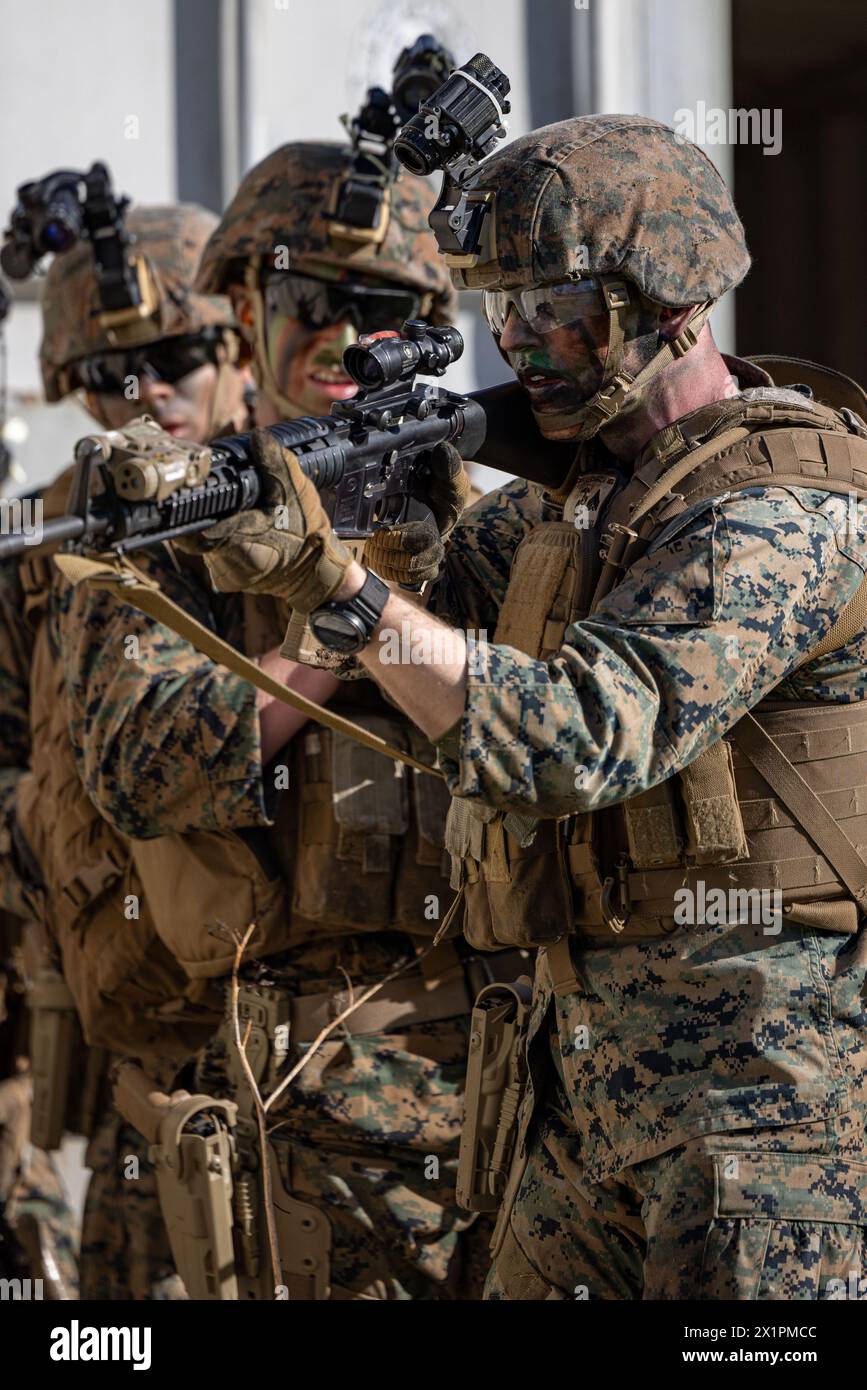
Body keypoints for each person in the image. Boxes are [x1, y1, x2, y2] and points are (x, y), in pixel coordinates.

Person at [184, 113, 867, 1300]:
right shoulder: (574, 504)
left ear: (672, 306)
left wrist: (339, 588)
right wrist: (316, 503)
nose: (525, 344)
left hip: (765, 1123)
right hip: (580, 1109)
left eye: (558, 307)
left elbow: (576, 734)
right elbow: (406, 658)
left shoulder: (786, 514)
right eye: (504, 310)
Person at [52, 142, 520, 1299]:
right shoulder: (180, 525)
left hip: (507, 1094)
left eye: (383, 309)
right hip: (287, 1095)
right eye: (312, 301)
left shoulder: (500, 528)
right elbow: (138, 766)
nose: (343, 336)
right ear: (250, 311)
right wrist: (329, 619)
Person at [10, 202, 250, 1298]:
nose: (143, 397)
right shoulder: (41, 551)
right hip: (137, 1079)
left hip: (328, 1075)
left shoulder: (327, 505)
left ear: (234, 344)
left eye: (170, 361)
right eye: (108, 378)